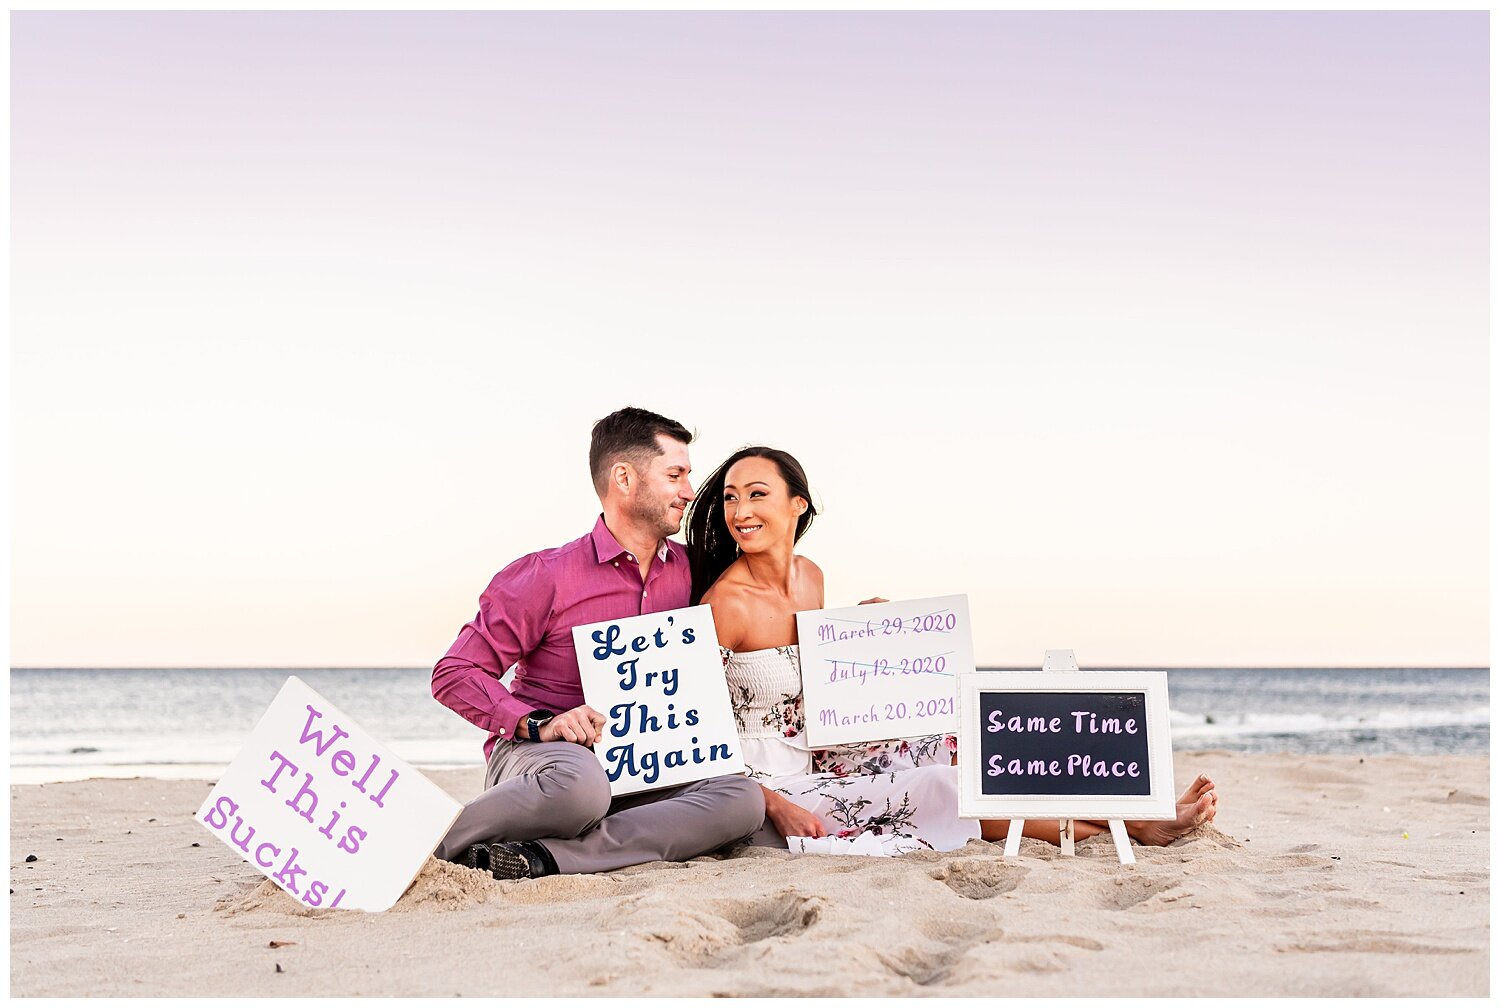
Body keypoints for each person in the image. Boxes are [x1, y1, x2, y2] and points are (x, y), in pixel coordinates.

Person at [684, 445, 1219, 853]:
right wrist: (769, 803)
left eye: (757, 494)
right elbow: (695, 732)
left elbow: (812, 673)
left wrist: (855, 628)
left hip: (821, 748)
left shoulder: (809, 576)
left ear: (797, 504)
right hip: (764, 777)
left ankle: (1121, 809)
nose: (739, 509)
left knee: (954, 741)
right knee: (939, 785)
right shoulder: (725, 605)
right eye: (731, 496)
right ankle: (1126, 827)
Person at [429, 408, 765, 879]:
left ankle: (546, 857)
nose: (689, 491)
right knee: (581, 789)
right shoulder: (545, 575)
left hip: (647, 764)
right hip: (547, 762)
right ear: (624, 478)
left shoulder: (696, 572)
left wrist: (857, 616)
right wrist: (537, 724)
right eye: (675, 475)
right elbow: (454, 674)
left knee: (741, 799)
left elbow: (769, 608)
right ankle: (426, 846)